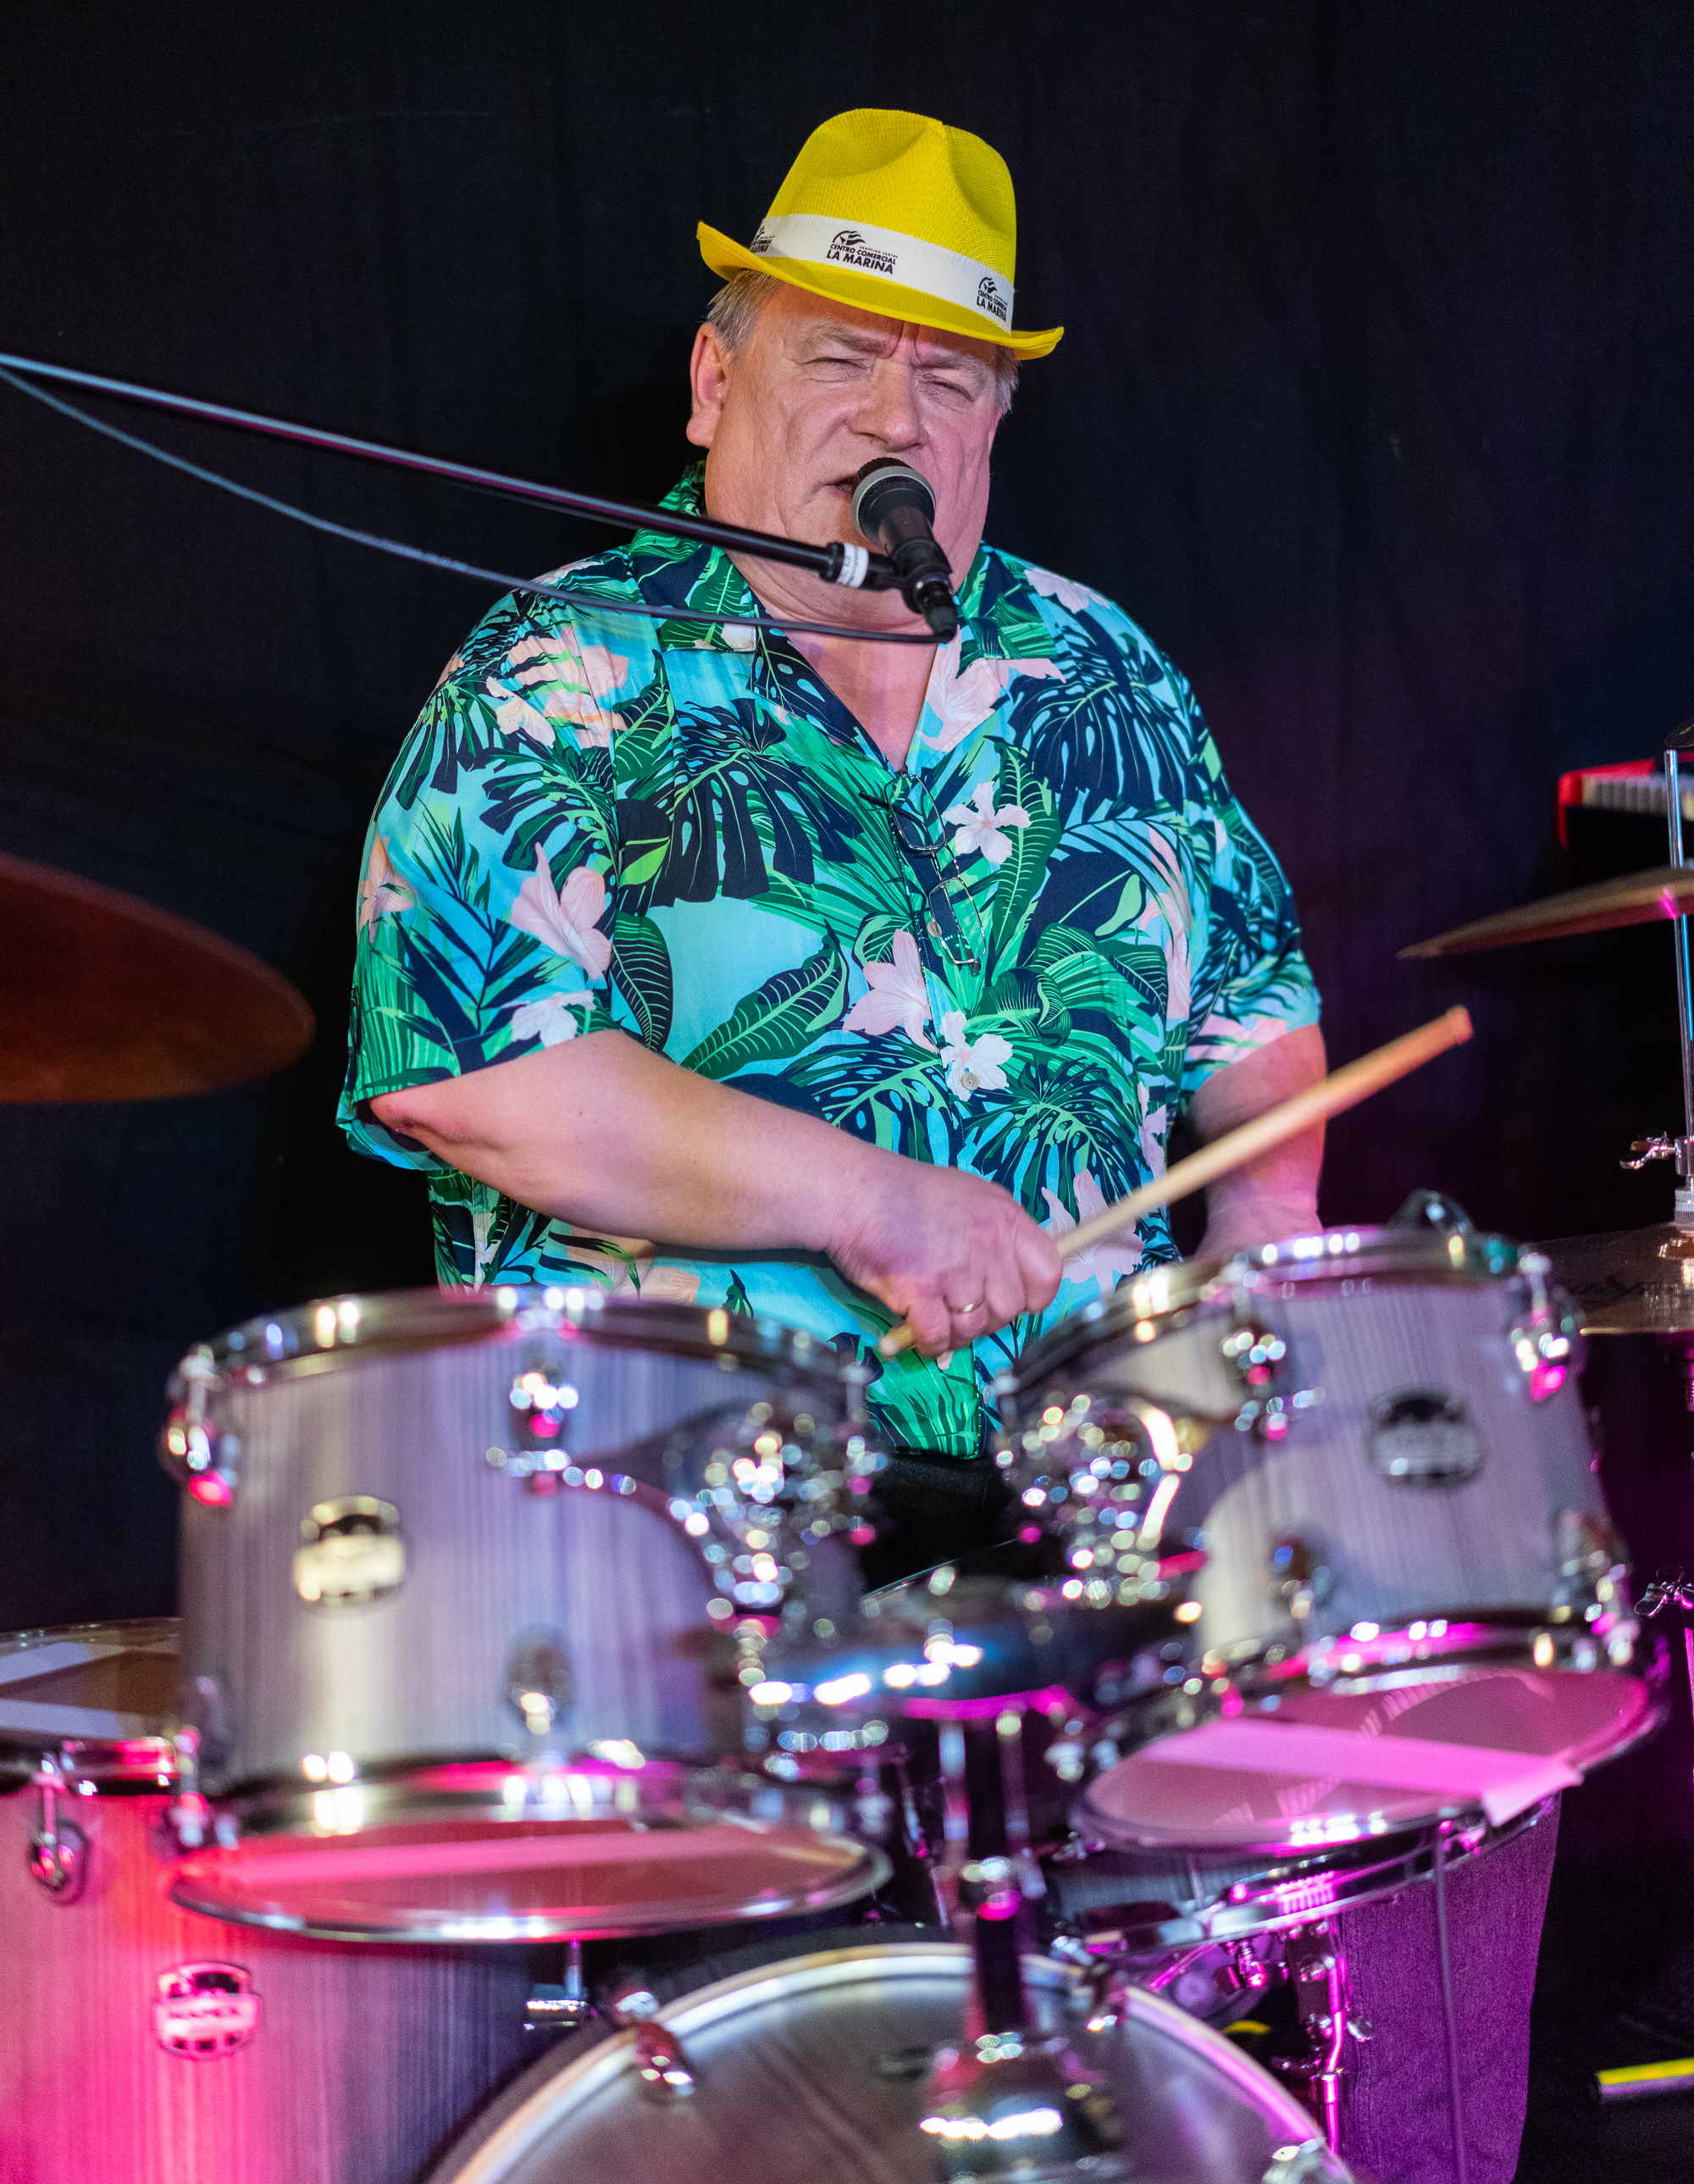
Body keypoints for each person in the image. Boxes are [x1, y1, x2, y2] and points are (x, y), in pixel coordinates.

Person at [339, 108, 1546, 2181]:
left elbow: (1256, 1038)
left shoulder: (1097, 670)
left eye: (951, 381)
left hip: (1088, 1508)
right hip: (706, 1538)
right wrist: (876, 1201)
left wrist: (1256, 1277)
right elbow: (470, 1071)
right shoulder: (561, 668)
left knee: (1437, 1739)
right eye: (839, 356)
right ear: (713, 382)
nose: (895, 417)